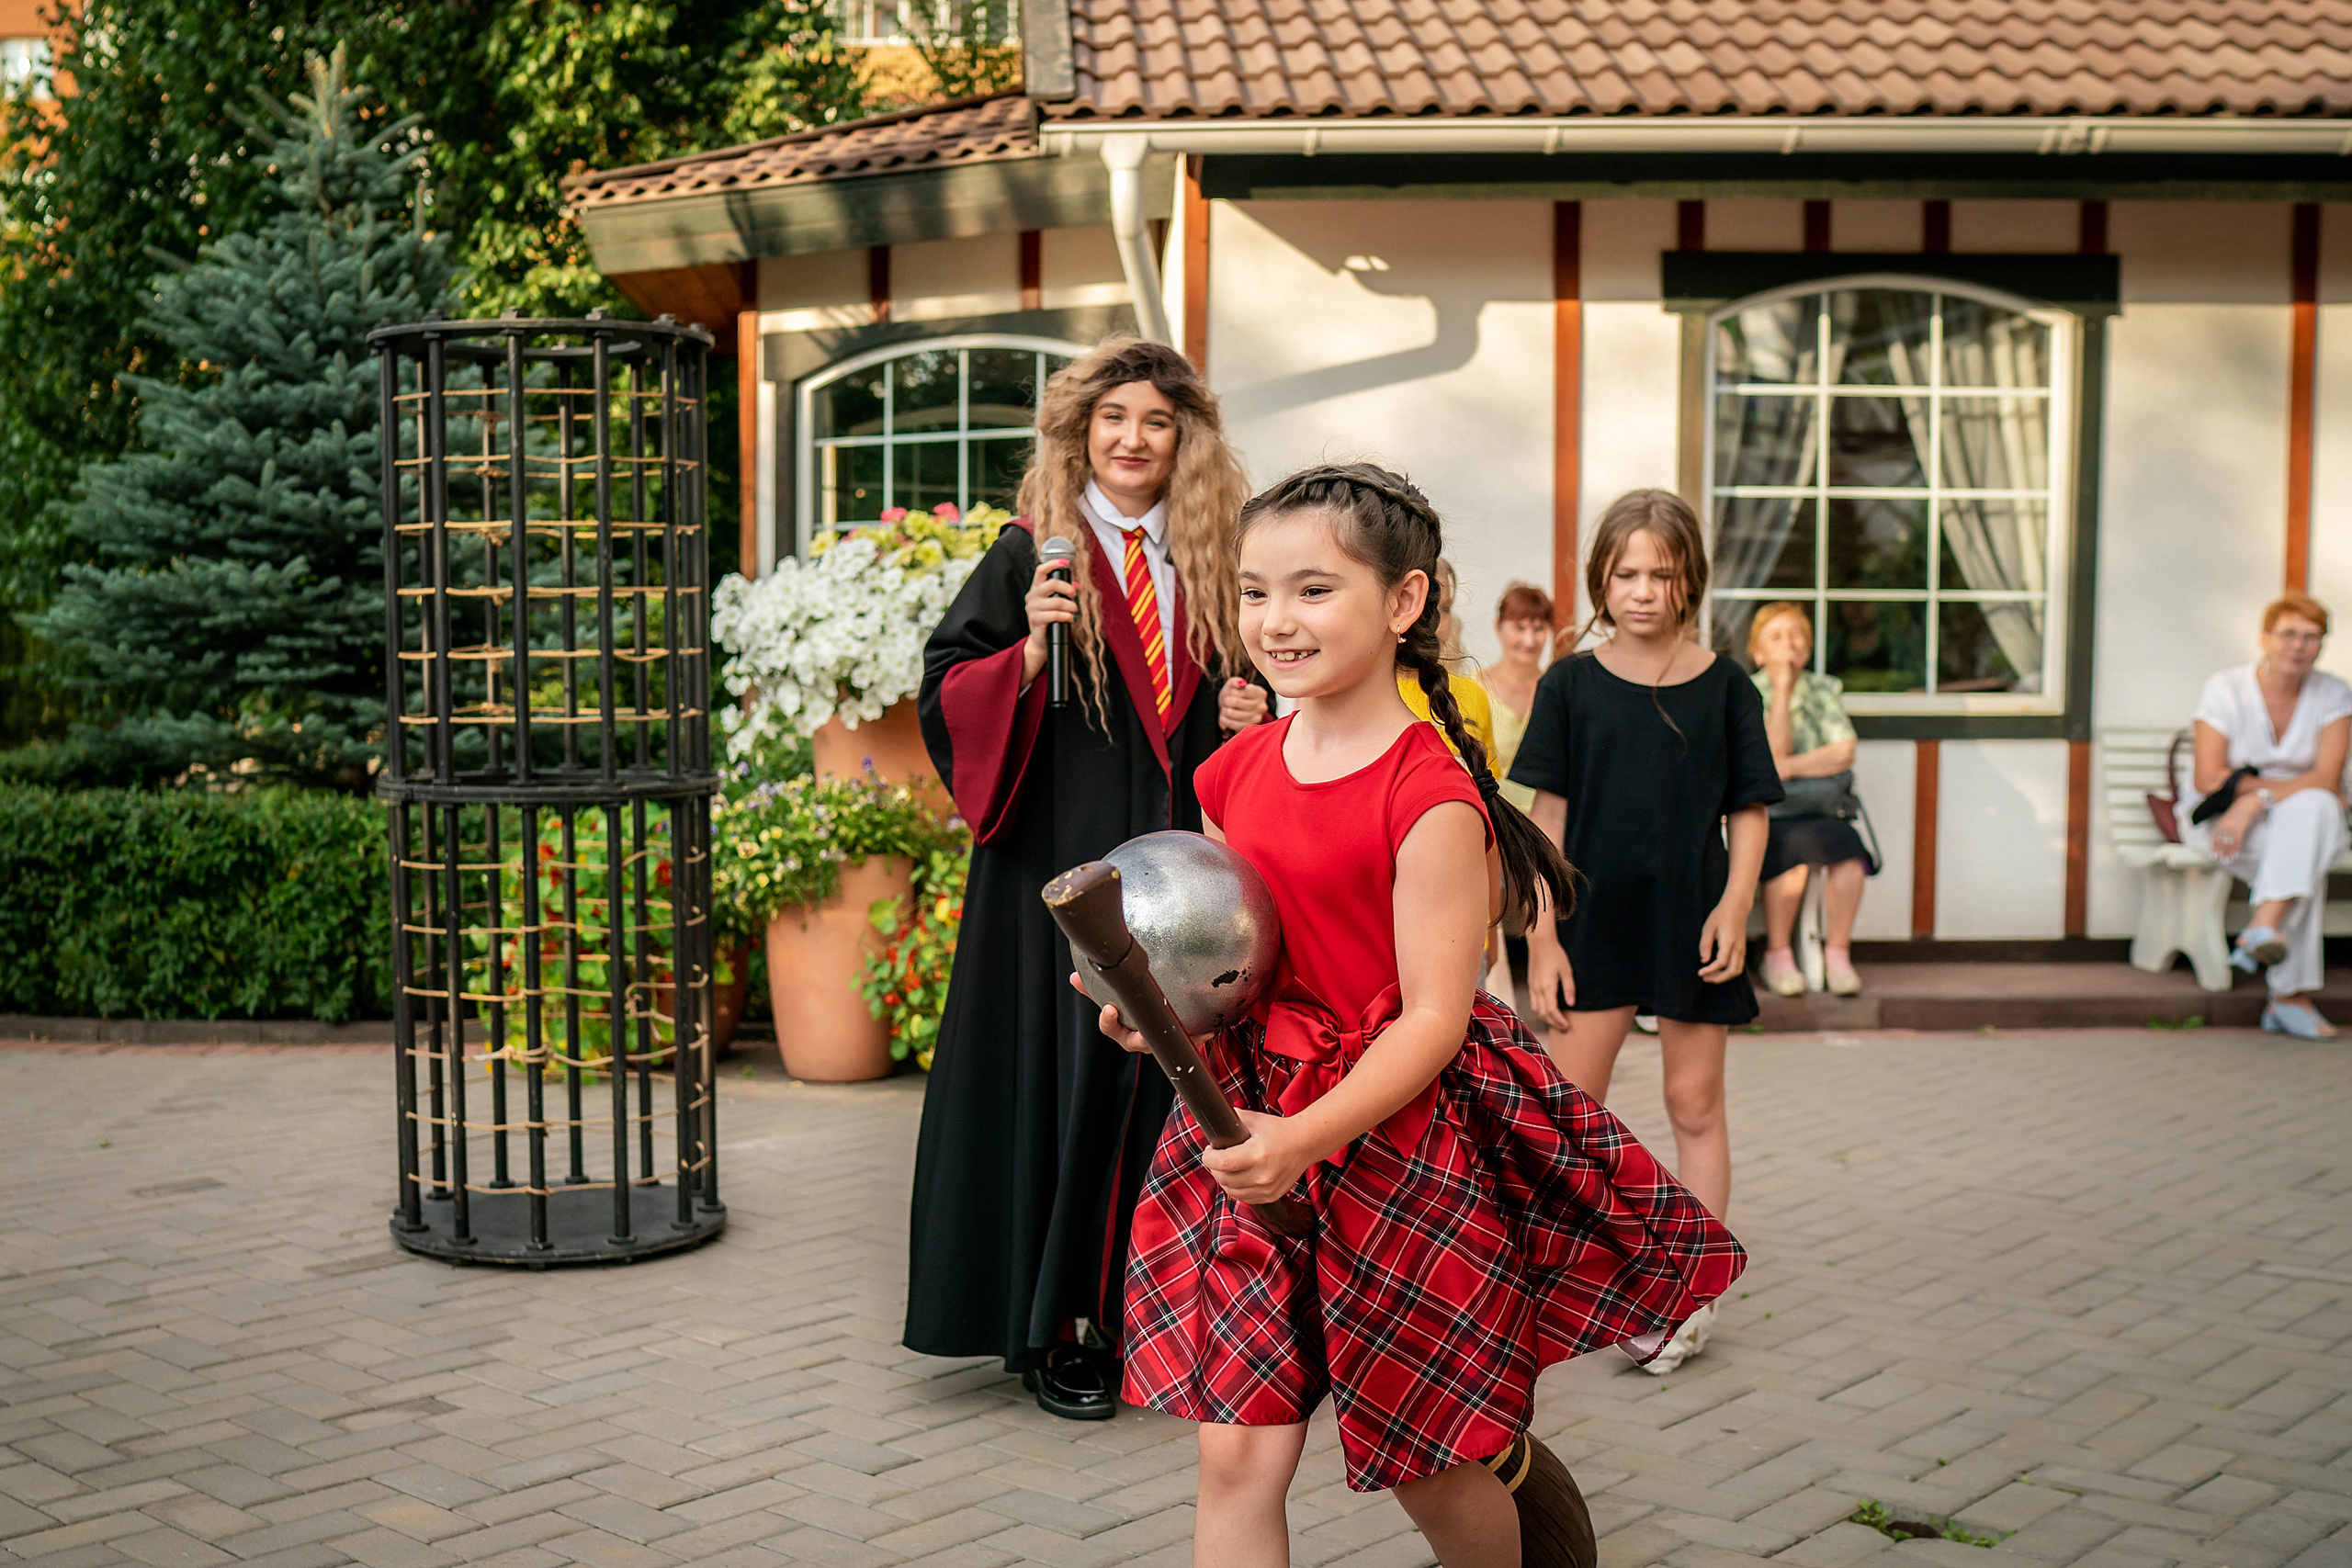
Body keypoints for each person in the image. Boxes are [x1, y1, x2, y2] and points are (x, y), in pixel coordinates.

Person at [1097, 463, 1743, 1565]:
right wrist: (1160, 1017)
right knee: (1235, 1455)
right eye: (1253, 592)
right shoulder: (1228, 775)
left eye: (1311, 590)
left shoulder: (1430, 796)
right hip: (1245, 1131)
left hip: (1389, 1148)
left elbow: (1437, 1020)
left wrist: (1304, 1138)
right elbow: (1230, 966)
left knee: (1432, 1462)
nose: (1274, 621)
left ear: (1404, 603)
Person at [909, 336, 1270, 1419]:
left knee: (1154, 1089)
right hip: (1053, 881)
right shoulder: (1035, 554)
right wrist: (1021, 655)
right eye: (1112, 419)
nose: (1132, 439)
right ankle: (1058, 1327)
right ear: (1080, 433)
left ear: (1184, 439)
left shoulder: (1212, 562)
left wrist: (1252, 717)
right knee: (1062, 1079)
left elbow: (1236, 708)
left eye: (1155, 422)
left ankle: (1147, 1311)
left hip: (1171, 883)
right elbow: (944, 691)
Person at [1509, 488, 1780, 1375]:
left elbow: (1749, 812)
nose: (1642, 590)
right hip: (1591, 923)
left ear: (1688, 579)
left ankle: (1690, 1292)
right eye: (1625, 572)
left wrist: (1738, 905)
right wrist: (1542, 936)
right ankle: (1583, 1282)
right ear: (1601, 578)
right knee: (1569, 1119)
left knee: (1694, 1104)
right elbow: (1545, 819)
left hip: (1695, 923)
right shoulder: (1571, 684)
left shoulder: (1727, 685)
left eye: (1660, 574)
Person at [2188, 593, 2352, 1038]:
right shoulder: (2226, 687)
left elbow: (2327, 776)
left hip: (2301, 817)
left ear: (2322, 644)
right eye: (2288, 634)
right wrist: (2246, 805)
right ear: (2265, 638)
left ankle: (2264, 927)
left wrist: (2255, 796)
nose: (2298, 645)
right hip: (2229, 826)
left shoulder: (2334, 692)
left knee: (2313, 812)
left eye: (2311, 636)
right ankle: (2287, 995)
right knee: (2305, 856)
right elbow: (2207, 777)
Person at [1747, 601, 1877, 998]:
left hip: (1820, 809)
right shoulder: (1748, 692)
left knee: (1850, 856)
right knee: (1794, 861)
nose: (1789, 643)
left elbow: (1844, 750)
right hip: (1769, 815)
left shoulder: (1825, 689)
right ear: (1757, 651)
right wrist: (1782, 691)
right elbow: (1765, 756)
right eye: (1777, 636)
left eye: (1796, 634)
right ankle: (1779, 955)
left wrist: (1790, 767)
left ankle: (1837, 954)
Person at [1397, 557, 1496, 761]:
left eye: (1446, 608)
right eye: (1428, 608)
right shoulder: (1368, 696)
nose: (1438, 624)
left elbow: (1489, 783)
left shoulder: (1473, 695)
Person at [1477, 581, 1555, 816]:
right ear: (1499, 627)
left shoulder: (1557, 690)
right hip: (1490, 819)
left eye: (1539, 628)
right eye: (1519, 628)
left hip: (1547, 822)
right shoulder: (1473, 688)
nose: (1529, 641)